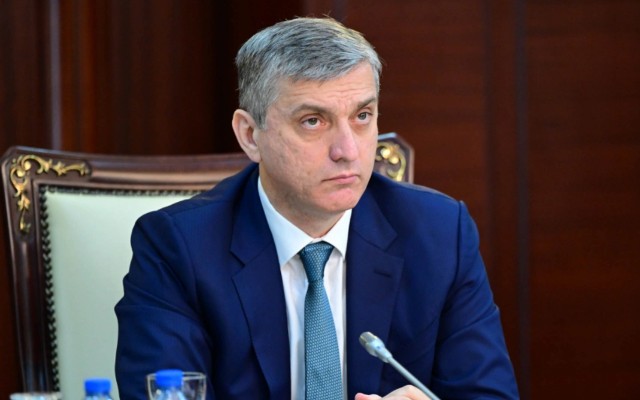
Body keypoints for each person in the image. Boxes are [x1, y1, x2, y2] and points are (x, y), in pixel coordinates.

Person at [115, 17, 519, 400]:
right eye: (313, 121)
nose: (347, 151)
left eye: (362, 116)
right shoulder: (179, 248)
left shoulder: (440, 234)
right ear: (250, 135)